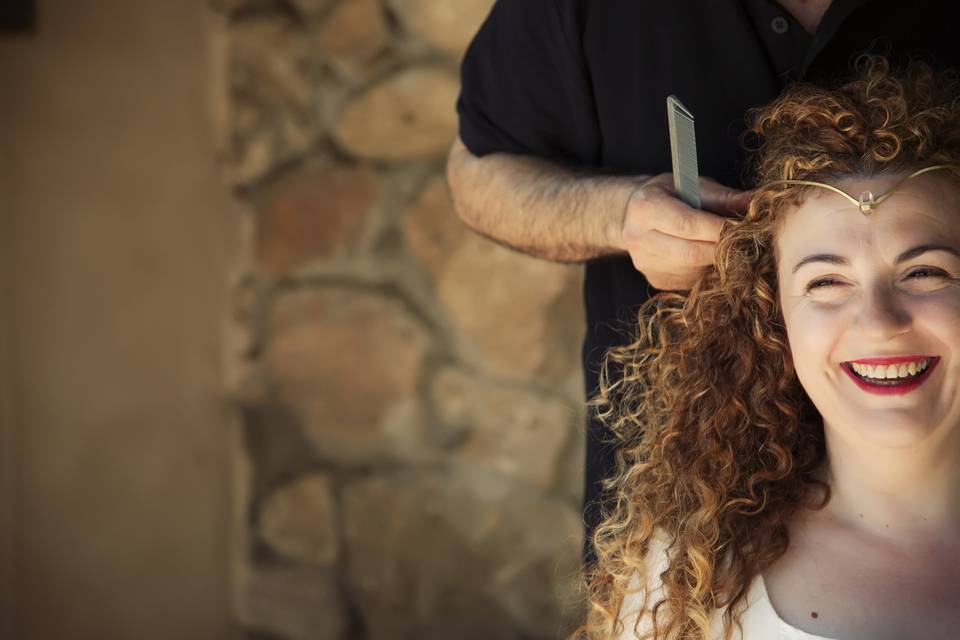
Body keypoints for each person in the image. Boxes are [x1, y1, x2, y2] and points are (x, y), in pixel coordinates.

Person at [447, 0, 960, 566]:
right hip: (688, 497)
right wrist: (618, 213)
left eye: (925, 271)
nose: (876, 324)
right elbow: (478, 170)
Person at [572, 54, 960, 640]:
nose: (880, 323)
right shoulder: (693, 583)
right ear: (771, 320)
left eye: (925, 273)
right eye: (827, 282)